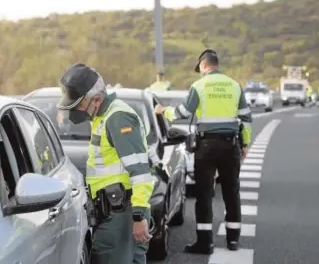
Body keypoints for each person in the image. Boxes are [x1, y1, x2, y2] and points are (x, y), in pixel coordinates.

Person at [155, 49, 252, 254]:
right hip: (230, 145)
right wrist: (245, 144)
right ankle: (233, 240)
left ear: (203, 66)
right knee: (231, 193)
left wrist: (164, 111)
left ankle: (205, 243)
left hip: (206, 147)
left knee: (204, 195)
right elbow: (246, 118)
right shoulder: (235, 86)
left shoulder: (199, 86)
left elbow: (184, 112)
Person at [57, 63, 154, 264]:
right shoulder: (103, 117)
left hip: (120, 215)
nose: (76, 111)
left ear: (97, 99)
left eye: (79, 105)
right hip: (116, 212)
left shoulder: (117, 118)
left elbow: (140, 172)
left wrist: (138, 216)